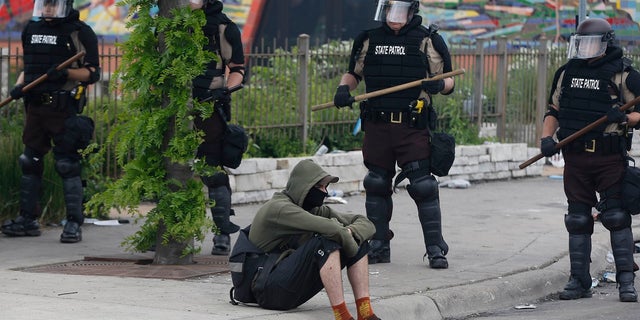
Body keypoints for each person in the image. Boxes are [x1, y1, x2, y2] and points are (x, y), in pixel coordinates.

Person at [333, 0, 455, 268]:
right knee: (376, 183)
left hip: (410, 126)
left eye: (401, 11)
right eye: (391, 11)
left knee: (423, 185)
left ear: (412, 12)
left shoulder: (427, 40)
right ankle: (378, 245)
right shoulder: (369, 39)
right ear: (384, 11)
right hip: (377, 126)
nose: (395, 17)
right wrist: (344, 89)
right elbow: (354, 73)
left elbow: (449, 81)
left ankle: (435, 248)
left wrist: (438, 85)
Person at [540, 17, 640, 302]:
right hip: (576, 158)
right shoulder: (566, 73)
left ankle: (625, 281)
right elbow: (553, 111)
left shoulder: (624, 75)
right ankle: (579, 280)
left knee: (616, 217)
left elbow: (639, 114)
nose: (586, 48)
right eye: (581, 43)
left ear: (606, 43)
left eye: (592, 43)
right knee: (577, 219)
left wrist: (626, 117)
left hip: (609, 158)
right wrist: (547, 139)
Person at [2, 0, 100, 243]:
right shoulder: (31, 30)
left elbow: (92, 73)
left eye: (52, 5)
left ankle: (73, 224)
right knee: (29, 161)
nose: (47, 9)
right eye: (43, 5)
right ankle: (28, 219)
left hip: (63, 107)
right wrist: (18, 86)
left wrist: (66, 73)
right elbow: (29, 66)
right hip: (35, 107)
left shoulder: (80, 32)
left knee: (67, 165)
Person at [241, 159, 380, 320]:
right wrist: (349, 243)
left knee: (357, 237)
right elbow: (332, 229)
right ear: (303, 187)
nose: (325, 192)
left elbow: (366, 223)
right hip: (267, 290)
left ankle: (365, 313)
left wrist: (351, 233)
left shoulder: (313, 209)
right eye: (320, 187)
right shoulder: (279, 208)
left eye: (326, 187)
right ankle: (342, 316)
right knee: (326, 241)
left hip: (291, 287)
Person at [188, 0, 245, 255]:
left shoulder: (223, 28)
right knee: (169, 170)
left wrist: (224, 90)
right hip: (174, 108)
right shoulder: (168, 25)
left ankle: (222, 232)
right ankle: (170, 234)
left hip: (209, 106)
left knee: (211, 169)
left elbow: (237, 70)